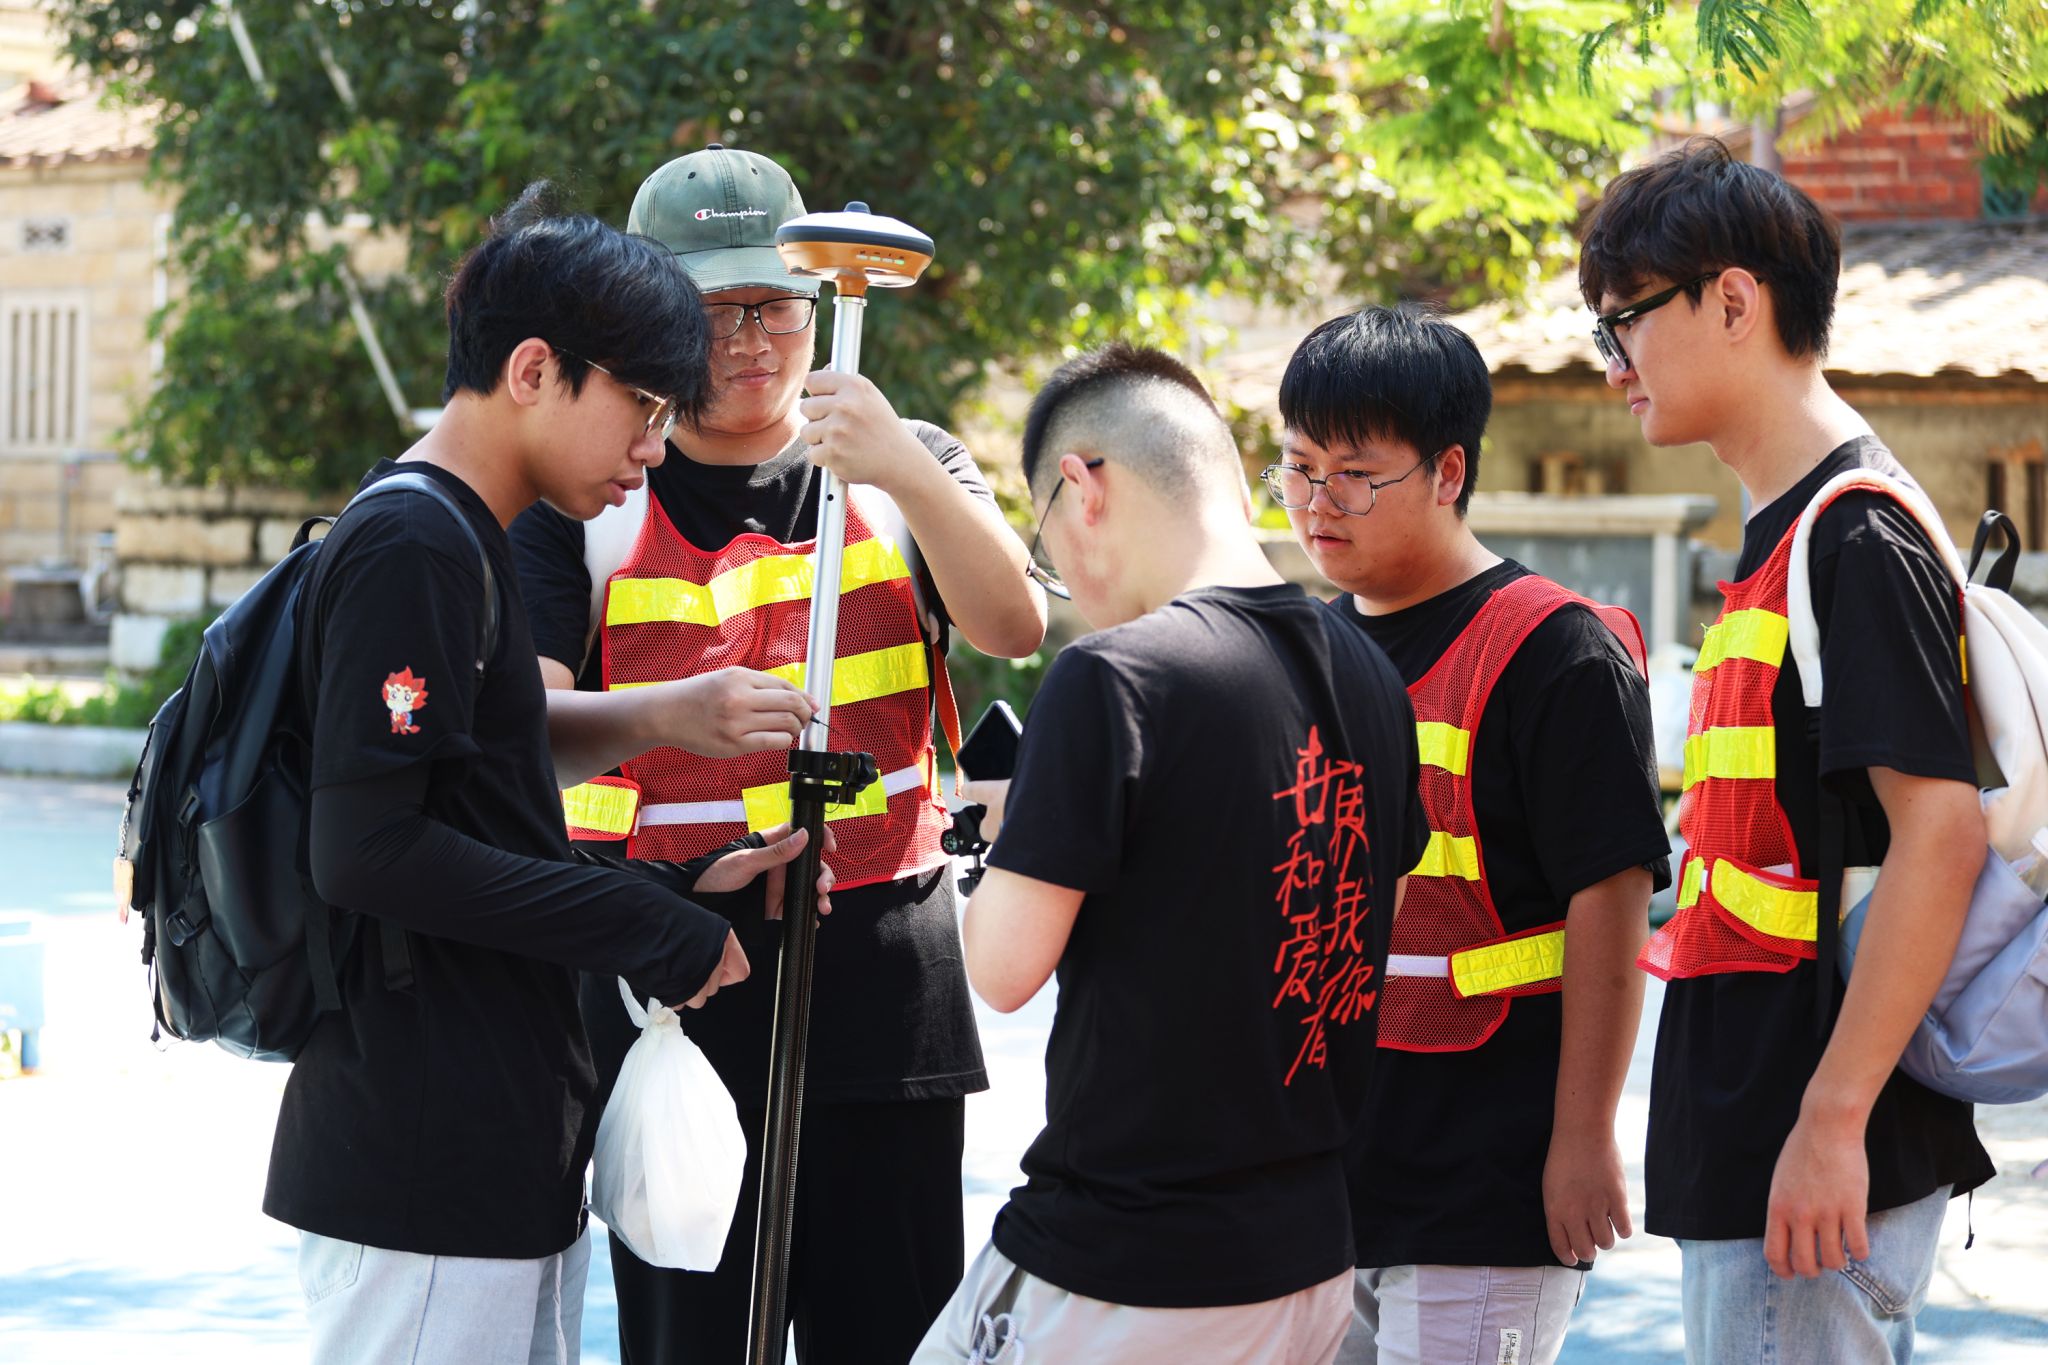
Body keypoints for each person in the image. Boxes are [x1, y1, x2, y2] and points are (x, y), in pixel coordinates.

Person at [510, 144, 1046, 1364]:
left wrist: (898, 463)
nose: (749, 340)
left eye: (776, 306)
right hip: (672, 979)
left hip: (885, 983)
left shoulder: (903, 465)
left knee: (892, 1336)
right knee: (688, 1340)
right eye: (710, 311)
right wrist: (672, 720)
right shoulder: (590, 498)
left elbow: (1014, 624)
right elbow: (525, 738)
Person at [265, 183, 808, 1365]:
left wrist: (665, 879)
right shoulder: (412, 543)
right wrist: (632, 921)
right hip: (422, 1160)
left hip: (492, 1144)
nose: (652, 449)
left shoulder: (466, 536)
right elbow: (367, 850)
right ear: (532, 371)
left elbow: (483, 794)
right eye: (642, 406)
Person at [913, 343, 1427, 1365]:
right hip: (1310, 1253)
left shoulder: (1112, 678)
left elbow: (1000, 969)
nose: (1067, 585)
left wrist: (1017, 831)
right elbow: (1370, 913)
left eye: (1046, 550)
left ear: (1082, 485)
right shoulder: (1371, 671)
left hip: (1129, 1261)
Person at [1579, 138, 1995, 1362]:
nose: (1611, 366)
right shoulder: (1790, 530)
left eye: (1623, 321)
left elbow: (1939, 835)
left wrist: (1831, 1117)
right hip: (1767, 1147)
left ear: (1730, 302)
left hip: (1804, 1163)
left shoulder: (1850, 538)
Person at [1268, 305, 1671, 1365]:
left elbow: (1611, 900)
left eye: (1356, 475)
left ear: (1448, 471)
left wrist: (1583, 1135)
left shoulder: (1556, 649)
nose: (1318, 504)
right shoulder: (1309, 649)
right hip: (1330, 1168)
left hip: (1488, 1170)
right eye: (1298, 469)